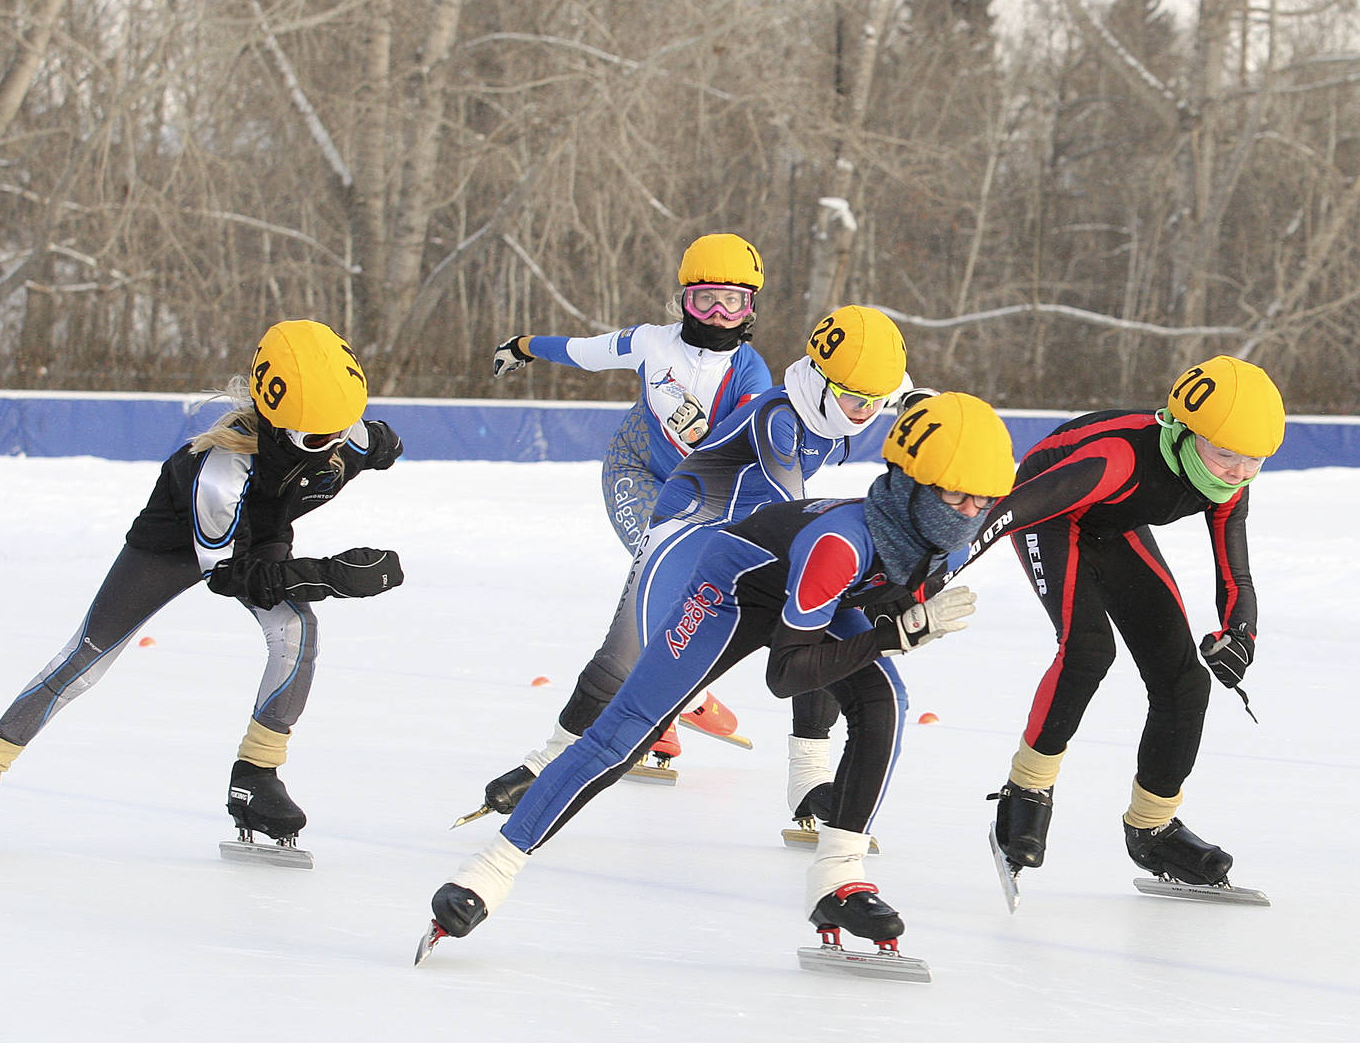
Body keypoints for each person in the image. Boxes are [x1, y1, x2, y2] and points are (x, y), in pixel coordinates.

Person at [419, 392, 1016, 963]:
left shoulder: (943, 542)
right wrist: (898, 633)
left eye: (981, 501)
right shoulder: (842, 541)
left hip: (813, 595)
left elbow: (879, 605)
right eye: (956, 496)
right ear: (909, 485)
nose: (969, 514)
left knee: (885, 697)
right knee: (621, 735)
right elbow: (787, 675)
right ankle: (488, 872)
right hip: (731, 593)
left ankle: (839, 878)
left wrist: (896, 624)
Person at [468, 304, 921, 833]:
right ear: (818, 379)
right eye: (851, 399)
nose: (863, 412)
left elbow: (908, 395)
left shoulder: (859, 383)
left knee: (818, 627)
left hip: (754, 536)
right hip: (688, 533)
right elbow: (794, 511)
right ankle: (548, 762)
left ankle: (806, 781)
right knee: (628, 655)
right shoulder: (779, 417)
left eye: (873, 401)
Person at [0, 320, 405, 850]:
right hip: (172, 549)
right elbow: (230, 577)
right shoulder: (219, 471)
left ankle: (256, 777)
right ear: (276, 424)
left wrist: (371, 445)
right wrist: (331, 575)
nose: (334, 445)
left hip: (256, 542)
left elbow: (382, 443)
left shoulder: (346, 438)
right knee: (85, 659)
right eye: (316, 437)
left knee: (298, 634)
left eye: (345, 427)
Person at [971, 356, 1284, 892]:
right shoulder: (1119, 458)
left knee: (1184, 680)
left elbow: (1236, 572)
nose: (1236, 471)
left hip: (1114, 524)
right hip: (1049, 513)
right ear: (1183, 430)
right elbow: (1003, 514)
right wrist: (924, 580)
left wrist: (1241, 633)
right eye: (1225, 453)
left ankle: (1153, 828)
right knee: (1088, 650)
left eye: (1253, 460)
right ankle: (1026, 791)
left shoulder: (1232, 481)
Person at [491, 232, 774, 762]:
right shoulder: (651, 343)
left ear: (750, 308)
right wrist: (524, 345)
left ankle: (668, 705)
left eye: (732, 302)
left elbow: (744, 449)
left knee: (692, 586)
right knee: (660, 578)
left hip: (698, 495)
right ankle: (681, 702)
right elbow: (584, 353)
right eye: (704, 298)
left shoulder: (751, 374)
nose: (716, 314)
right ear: (684, 299)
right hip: (635, 472)